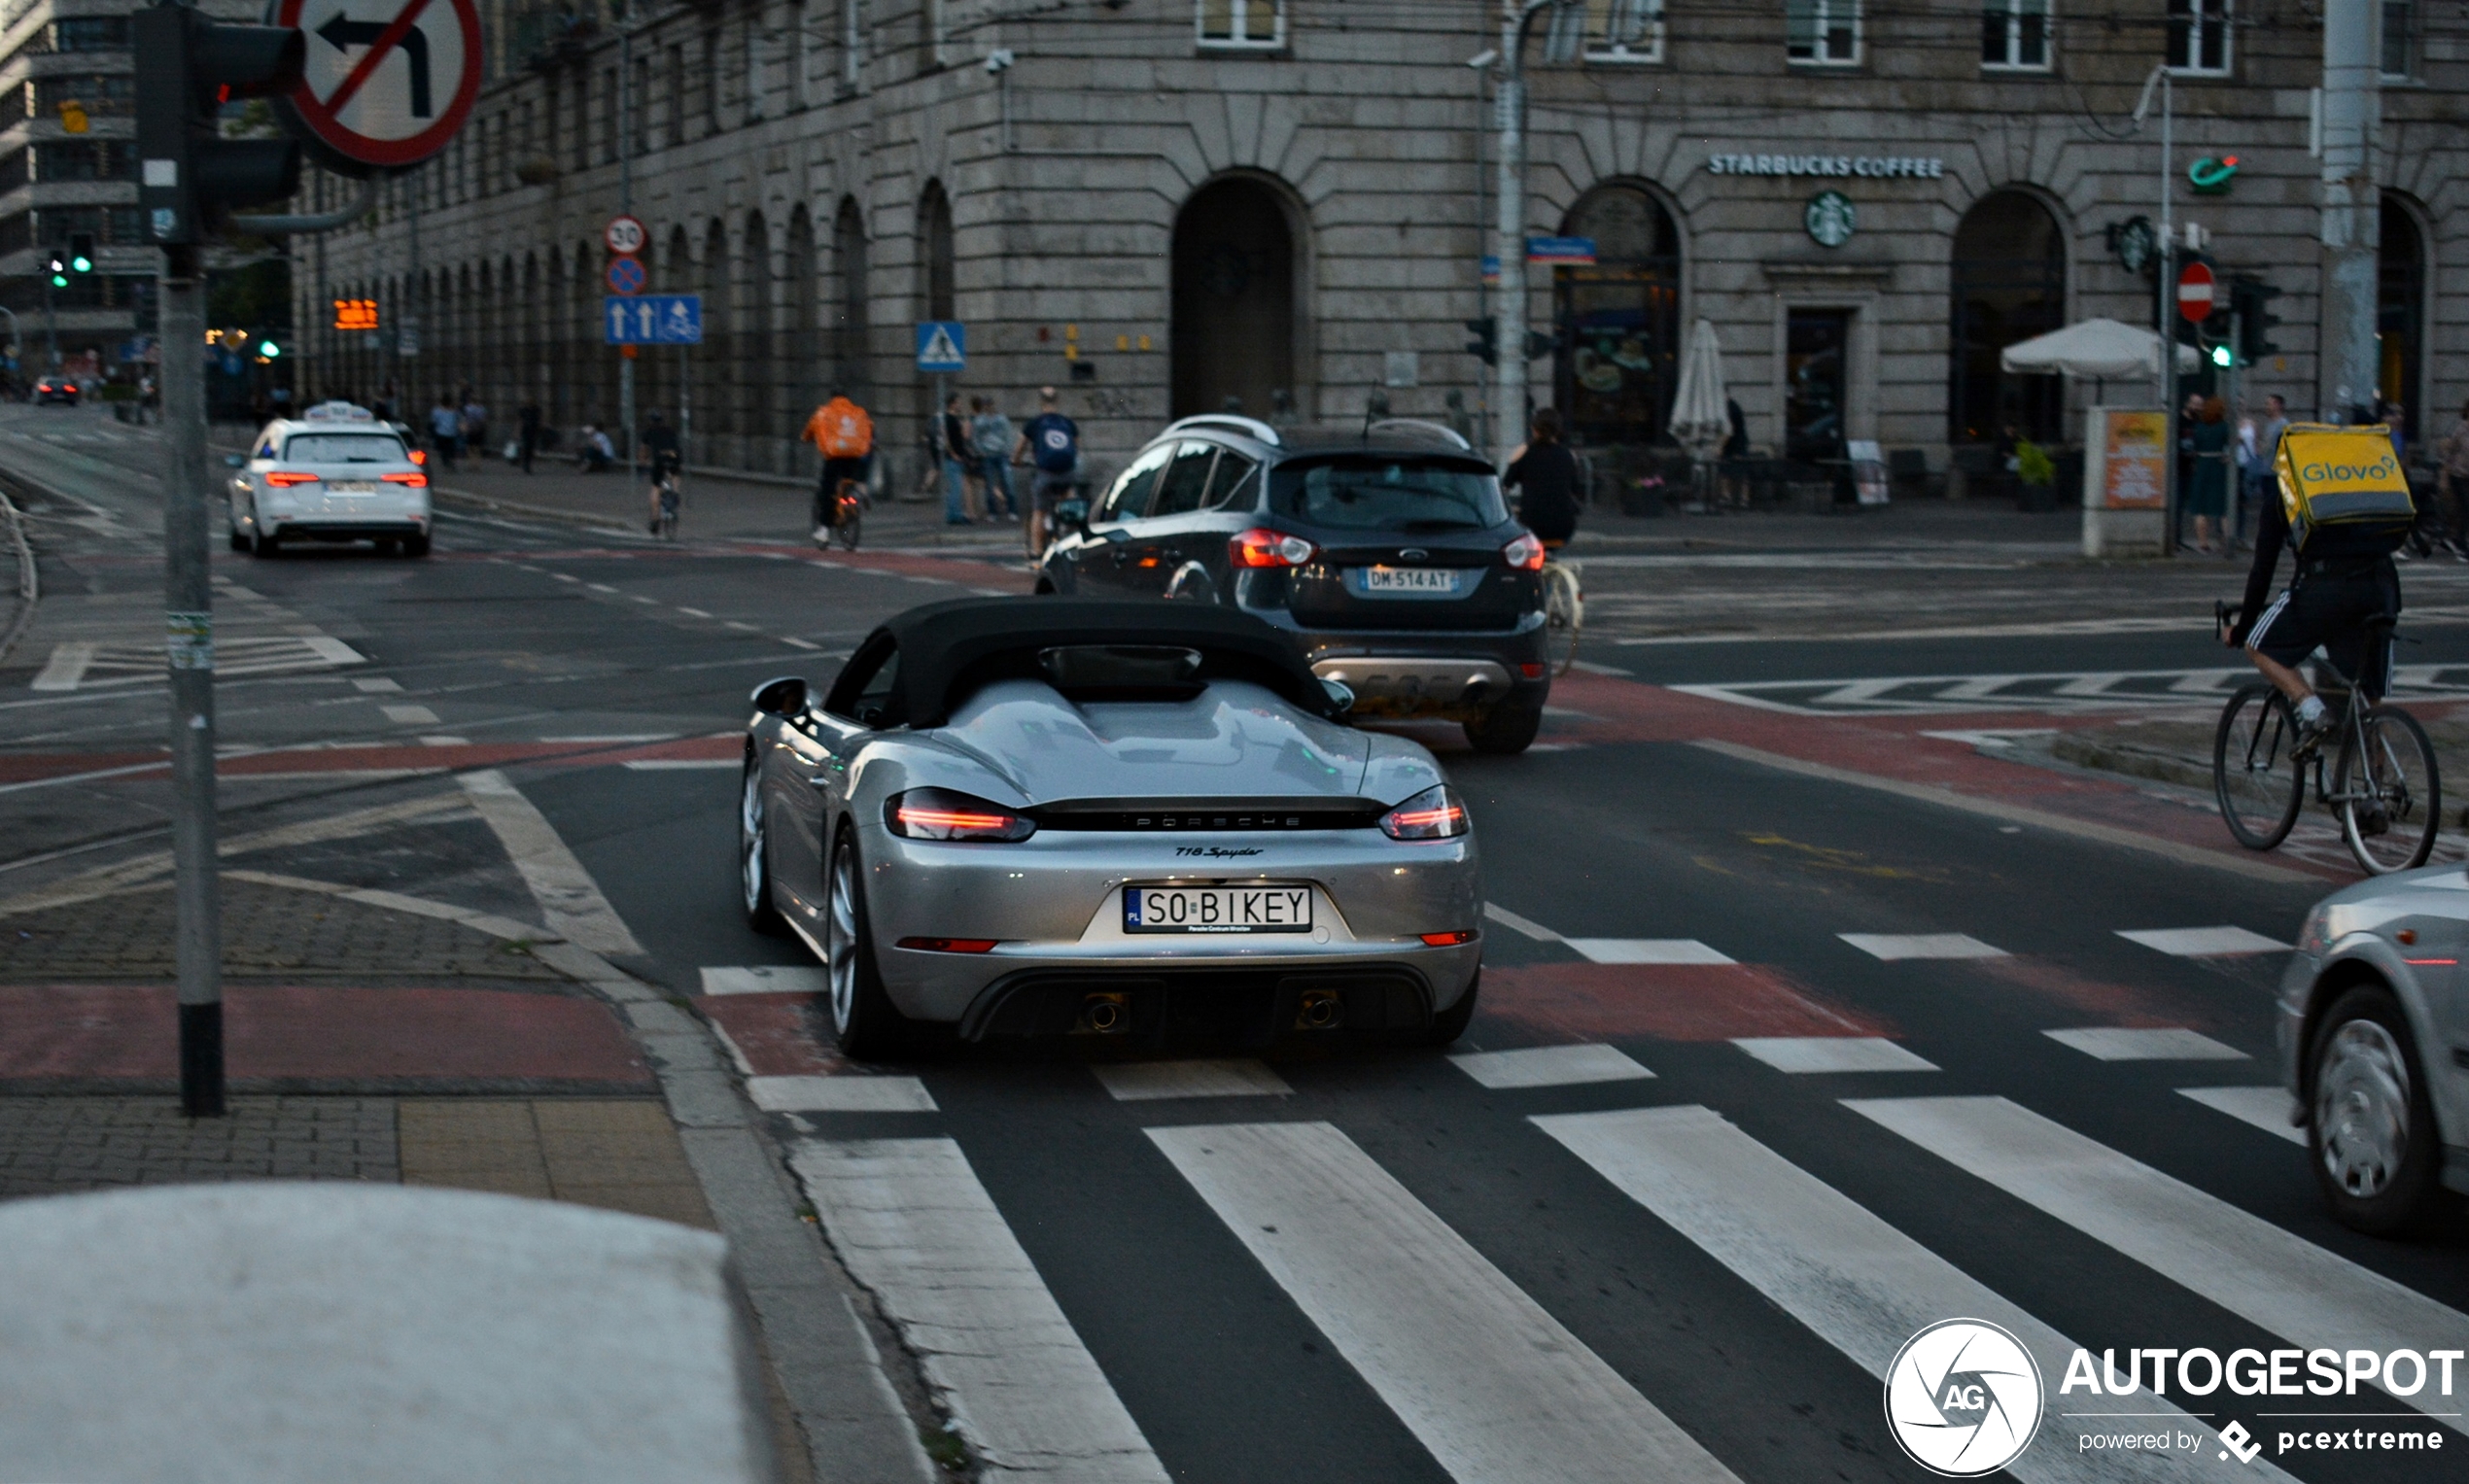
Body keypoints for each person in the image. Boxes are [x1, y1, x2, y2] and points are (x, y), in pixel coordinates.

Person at [2226, 426, 2414, 754]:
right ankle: (2379, 793)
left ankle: (2313, 711)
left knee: (2259, 646)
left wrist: (2242, 628)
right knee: (2370, 703)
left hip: (2324, 590)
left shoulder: (2283, 501)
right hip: (2381, 590)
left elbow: (2262, 574)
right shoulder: (2364, 488)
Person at [1013, 386, 1079, 555]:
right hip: (1066, 474)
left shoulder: (1035, 423)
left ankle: (1037, 551)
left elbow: (1020, 447)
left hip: (1045, 474)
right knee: (1070, 505)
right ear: (1057, 401)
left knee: (1039, 511)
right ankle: (1072, 539)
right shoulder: (1068, 423)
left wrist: (1016, 460)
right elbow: (1076, 447)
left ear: (1041, 402)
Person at [1502, 407, 1581, 548]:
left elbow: (1503, 488)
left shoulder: (1523, 451)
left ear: (1534, 429)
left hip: (1533, 523)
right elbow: (1575, 490)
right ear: (1558, 430)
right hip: (1563, 526)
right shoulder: (1569, 455)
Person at [802, 390, 874, 541]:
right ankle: (853, 501)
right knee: (850, 480)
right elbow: (869, 427)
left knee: (828, 489)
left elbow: (810, 430)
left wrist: (805, 438)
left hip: (834, 456)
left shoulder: (824, 412)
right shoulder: (858, 412)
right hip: (854, 454)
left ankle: (824, 530)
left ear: (832, 398)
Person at [2185, 397, 2230, 554]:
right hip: (2218, 465)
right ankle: (2227, 541)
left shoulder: (2199, 427)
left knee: (2200, 507)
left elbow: (2193, 447)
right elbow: (2231, 445)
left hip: (2202, 465)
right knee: (2223, 508)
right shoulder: (2224, 427)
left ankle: (2202, 543)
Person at [970, 396, 1017, 520]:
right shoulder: (979, 421)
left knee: (1008, 482)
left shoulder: (1002, 419)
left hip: (1002, 454)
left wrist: (1008, 450)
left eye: (990, 405)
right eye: (986, 405)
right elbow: (975, 437)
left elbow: (1008, 435)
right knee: (990, 485)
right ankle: (992, 512)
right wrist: (980, 451)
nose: (988, 408)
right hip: (988, 455)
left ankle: (1012, 510)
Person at [2435, 399, 2469, 560]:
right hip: (2458, 474)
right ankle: (2459, 543)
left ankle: (2453, 539)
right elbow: (2449, 452)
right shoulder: (2461, 429)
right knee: (2465, 508)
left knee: (2461, 510)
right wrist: (2444, 475)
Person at [938, 393, 974, 525]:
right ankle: (954, 516)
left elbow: (963, 437)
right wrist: (953, 453)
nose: (960, 405)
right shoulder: (948, 419)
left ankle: (954, 514)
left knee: (956, 488)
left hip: (959, 457)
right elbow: (946, 437)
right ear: (952, 403)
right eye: (958, 402)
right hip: (953, 458)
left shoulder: (955, 419)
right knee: (955, 488)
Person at [428, 395, 461, 471]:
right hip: (452, 433)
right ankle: (450, 461)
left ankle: (446, 463)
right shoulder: (454, 411)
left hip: (441, 432)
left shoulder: (436, 411)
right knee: (451, 448)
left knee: (443, 450)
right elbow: (458, 420)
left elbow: (434, 421)